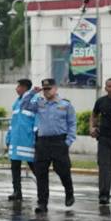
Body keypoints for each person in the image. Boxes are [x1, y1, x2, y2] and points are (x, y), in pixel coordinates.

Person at [32, 78, 76, 213]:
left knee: (63, 170)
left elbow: (72, 124)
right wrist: (32, 93)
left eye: (48, 88)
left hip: (59, 141)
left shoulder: (65, 105)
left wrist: (68, 142)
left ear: (55, 89)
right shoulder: (39, 103)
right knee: (41, 173)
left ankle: (69, 192)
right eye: (44, 89)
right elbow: (24, 105)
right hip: (43, 142)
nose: (46, 91)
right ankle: (42, 203)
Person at [4, 78, 37, 201]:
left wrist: (35, 139)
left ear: (24, 88)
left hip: (27, 141)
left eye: (18, 86)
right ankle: (17, 192)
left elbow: (36, 122)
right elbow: (13, 123)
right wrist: (8, 138)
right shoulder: (16, 103)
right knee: (15, 167)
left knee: (34, 166)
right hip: (16, 140)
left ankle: (43, 191)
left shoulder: (34, 101)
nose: (16, 88)